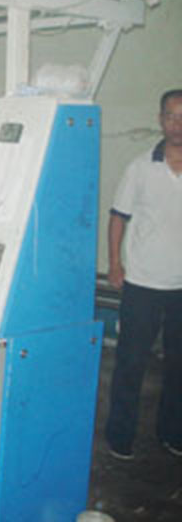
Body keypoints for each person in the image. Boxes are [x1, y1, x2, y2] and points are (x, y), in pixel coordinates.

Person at [105, 88, 182, 460]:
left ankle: (173, 433)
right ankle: (120, 436)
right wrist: (115, 264)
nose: (177, 125)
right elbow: (118, 217)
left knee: (179, 367)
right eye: (171, 116)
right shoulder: (140, 167)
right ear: (160, 120)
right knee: (130, 365)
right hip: (143, 284)